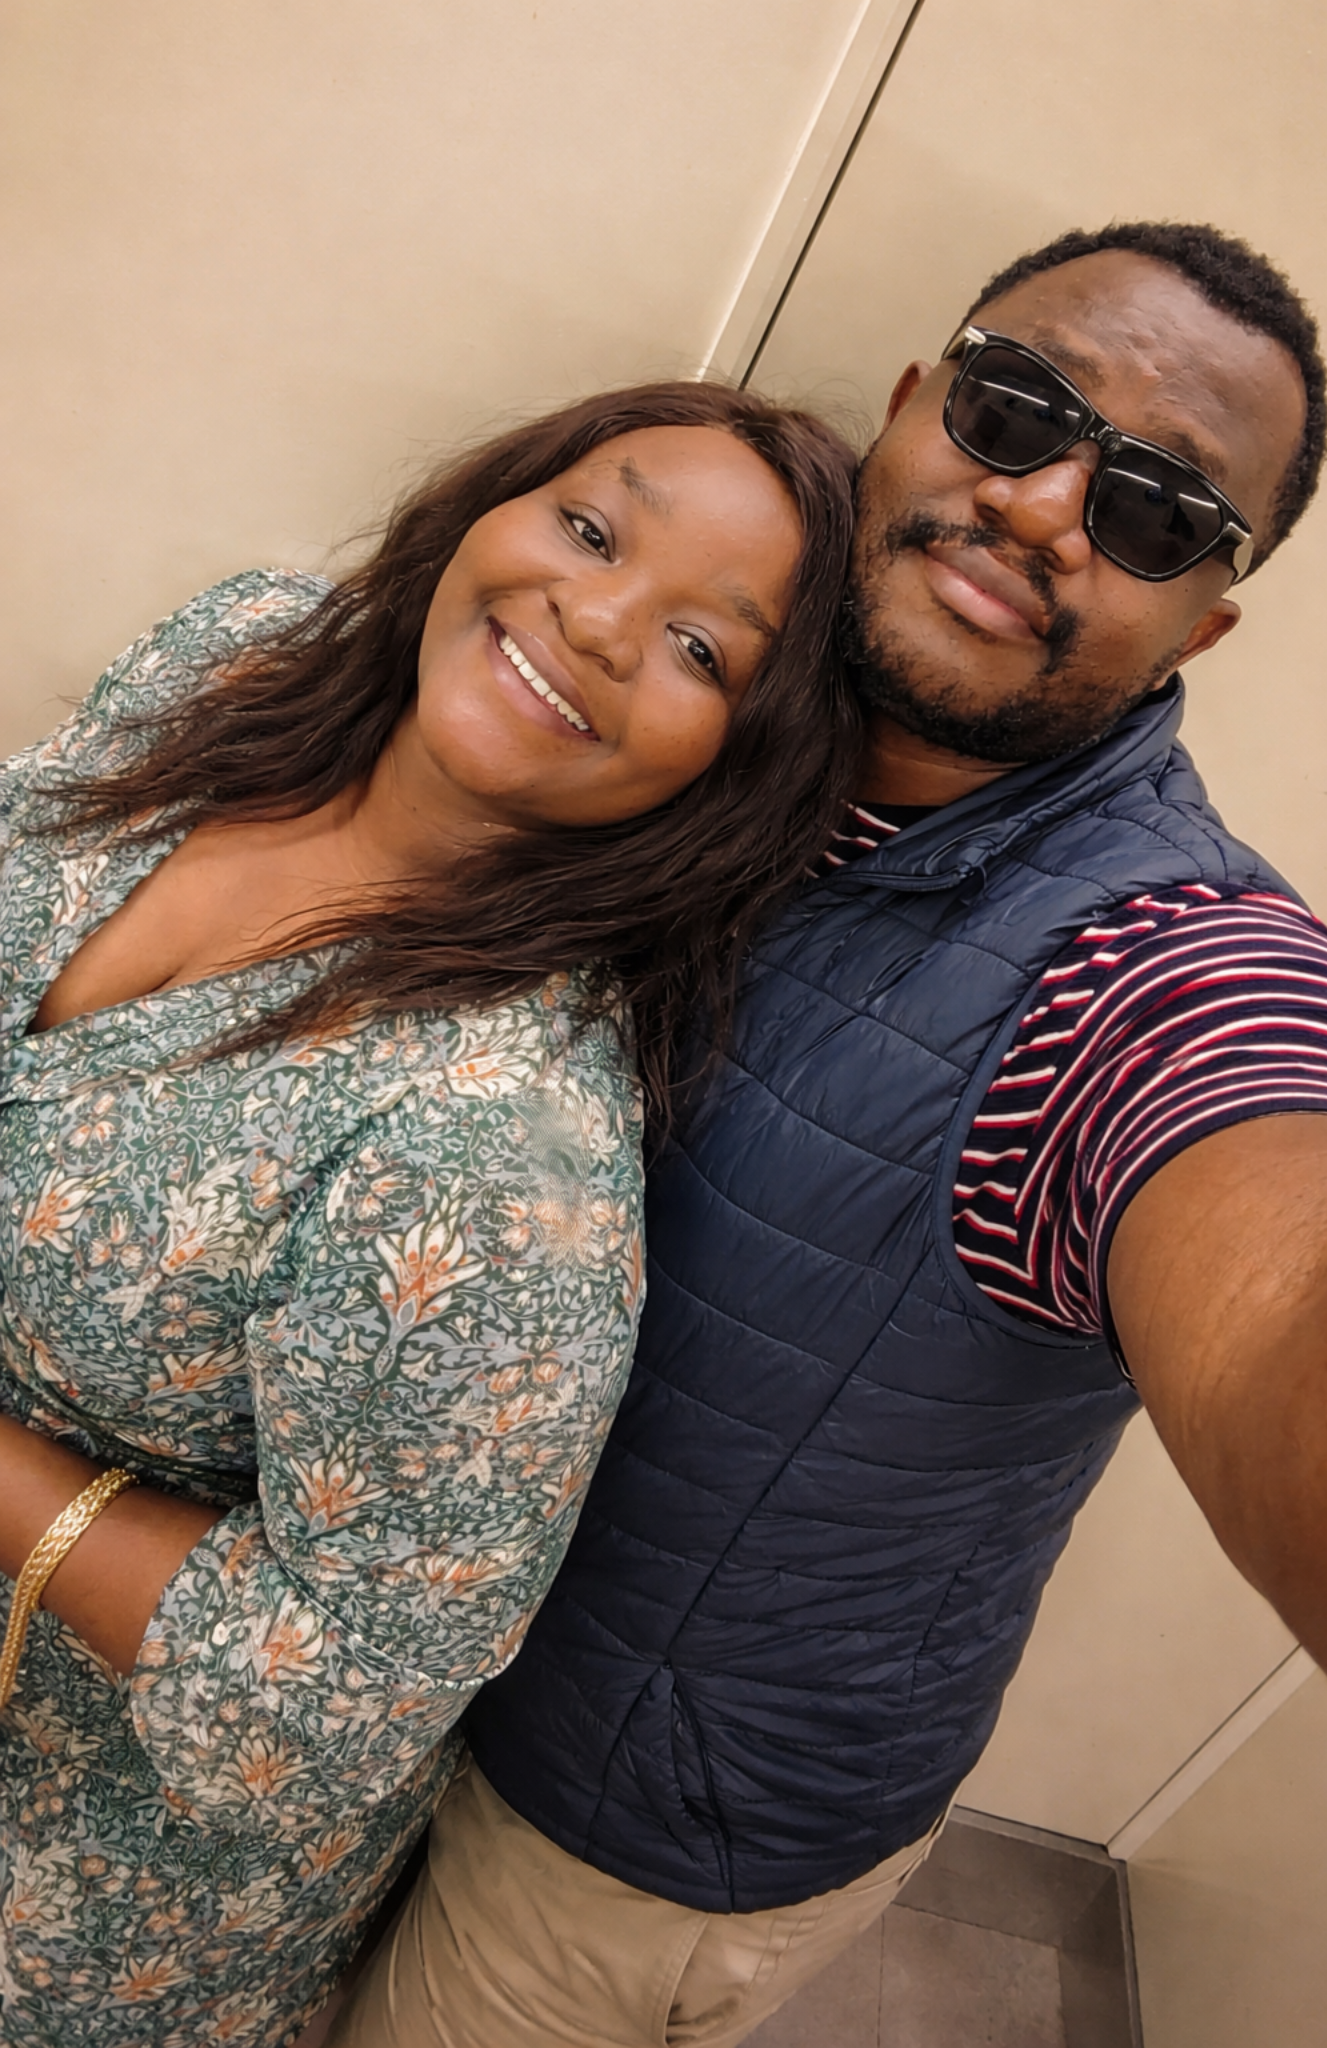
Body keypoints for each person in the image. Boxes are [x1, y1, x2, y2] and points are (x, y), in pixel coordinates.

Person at [329, 223, 1327, 2048]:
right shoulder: (688, 700)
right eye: (1016, 406)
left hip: (618, 1840)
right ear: (908, 408)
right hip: (360, 1666)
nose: (1044, 502)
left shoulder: (1152, 971)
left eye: (1151, 511)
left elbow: (1288, 1262)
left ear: (1201, 623)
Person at [0, 382, 862, 2048]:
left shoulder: (493, 1153)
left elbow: (337, 1699)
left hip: (71, 1885)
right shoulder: (242, 655)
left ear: (737, 772)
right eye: (592, 528)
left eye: (703, 652)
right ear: (492, 503)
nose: (596, 619)